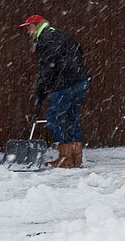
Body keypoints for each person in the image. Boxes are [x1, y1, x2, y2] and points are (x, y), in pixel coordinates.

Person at [19, 14, 91, 168]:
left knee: (53, 119)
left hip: (66, 83)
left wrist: (42, 90)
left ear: (38, 25)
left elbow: (47, 69)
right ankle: (76, 159)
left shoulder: (45, 40)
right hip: (82, 80)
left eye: (29, 27)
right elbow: (80, 50)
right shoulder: (59, 33)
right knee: (72, 117)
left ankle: (66, 158)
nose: (28, 31)